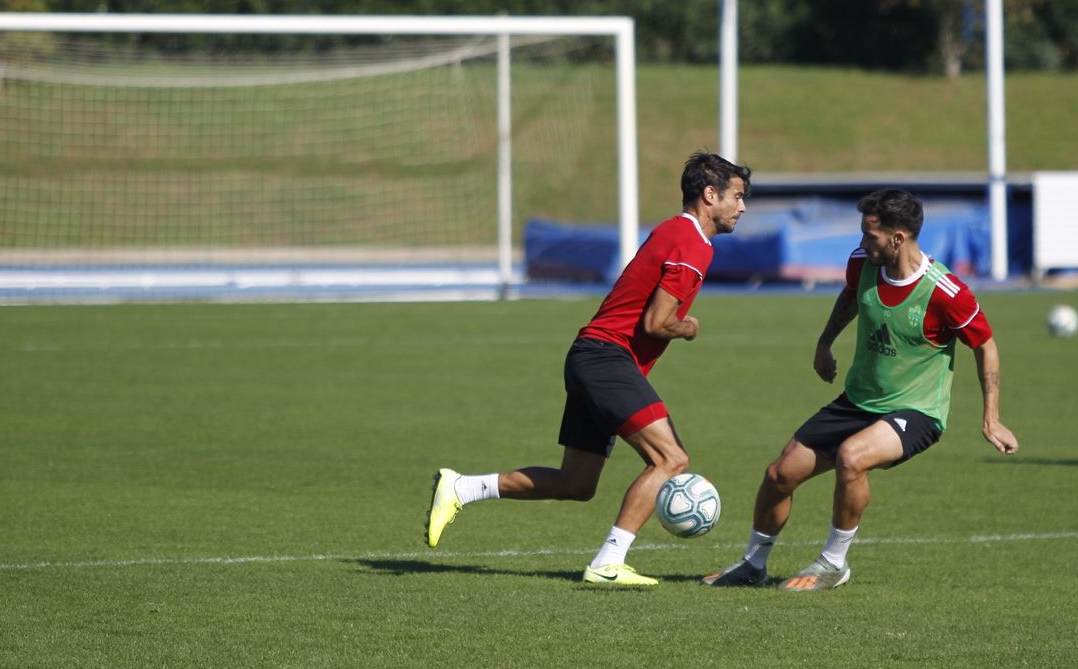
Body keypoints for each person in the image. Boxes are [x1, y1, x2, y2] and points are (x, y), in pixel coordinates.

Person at [423, 151, 751, 585]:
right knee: (671, 458)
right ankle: (608, 561)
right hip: (605, 358)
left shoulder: (676, 233)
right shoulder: (692, 243)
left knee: (577, 483)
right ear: (710, 195)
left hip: (592, 356)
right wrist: (686, 327)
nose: (742, 207)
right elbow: (657, 322)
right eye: (737, 196)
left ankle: (463, 487)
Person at [704, 188, 1017, 591]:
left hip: (916, 411)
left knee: (853, 458)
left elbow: (985, 346)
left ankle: (833, 564)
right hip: (858, 401)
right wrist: (824, 342)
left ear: (898, 238)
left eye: (870, 235)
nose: (861, 243)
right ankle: (753, 565)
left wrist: (991, 418)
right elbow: (851, 298)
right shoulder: (862, 263)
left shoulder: (945, 292)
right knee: (779, 474)